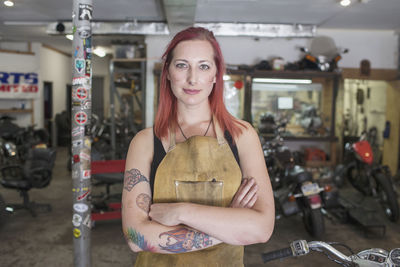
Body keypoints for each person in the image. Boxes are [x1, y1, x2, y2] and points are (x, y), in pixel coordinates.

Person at [122, 26, 275, 267]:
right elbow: (136, 238)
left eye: (203, 66)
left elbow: (262, 229)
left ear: (215, 75)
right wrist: (229, 226)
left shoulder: (242, 136)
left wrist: (182, 212)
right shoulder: (144, 142)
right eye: (182, 65)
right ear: (168, 73)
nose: (193, 78)